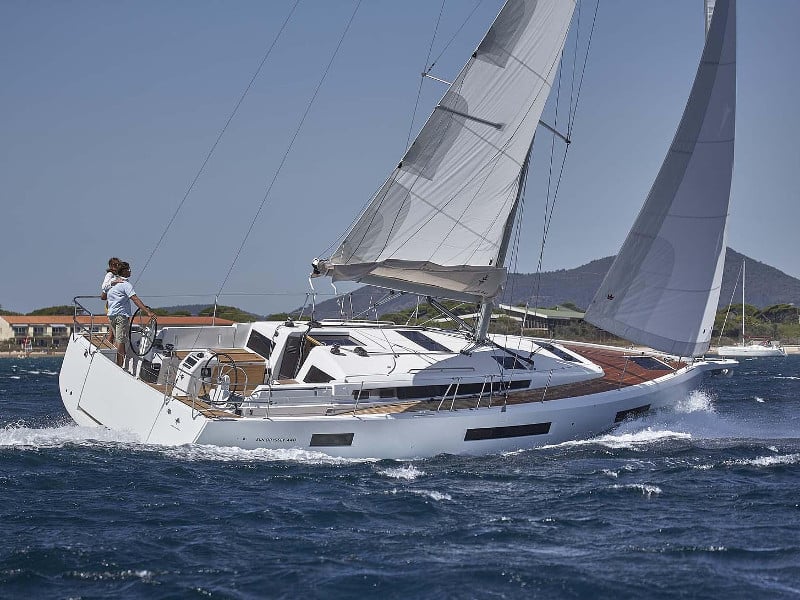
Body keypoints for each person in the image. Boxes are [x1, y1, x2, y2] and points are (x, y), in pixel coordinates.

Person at [103, 261, 155, 367]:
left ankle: (112, 361)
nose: (131, 271)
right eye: (129, 269)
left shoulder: (112, 282)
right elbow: (135, 299)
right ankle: (118, 366)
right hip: (121, 316)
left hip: (111, 316)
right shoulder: (126, 285)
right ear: (125, 271)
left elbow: (103, 296)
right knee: (120, 341)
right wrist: (147, 312)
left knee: (116, 340)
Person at [101, 257, 123, 344]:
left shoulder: (116, 275)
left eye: (118, 265)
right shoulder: (109, 275)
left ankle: (111, 347)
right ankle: (109, 347)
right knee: (112, 332)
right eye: (115, 265)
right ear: (111, 266)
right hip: (110, 305)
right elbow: (104, 286)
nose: (117, 266)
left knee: (113, 332)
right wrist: (114, 282)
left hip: (115, 305)